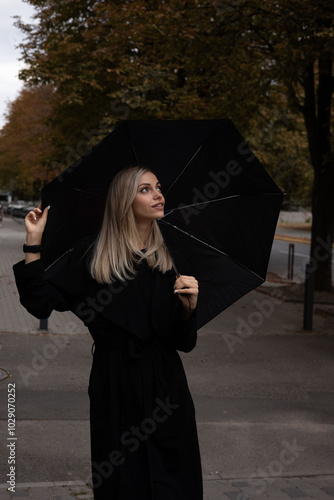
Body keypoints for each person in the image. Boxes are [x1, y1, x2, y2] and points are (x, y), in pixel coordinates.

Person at [13, 166, 203, 500]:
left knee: (174, 480)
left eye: (158, 187)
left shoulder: (172, 257)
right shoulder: (93, 256)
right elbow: (40, 303)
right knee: (122, 482)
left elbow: (183, 343)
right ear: (123, 201)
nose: (158, 194)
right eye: (145, 189)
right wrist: (33, 241)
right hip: (114, 383)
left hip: (166, 385)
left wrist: (189, 309)